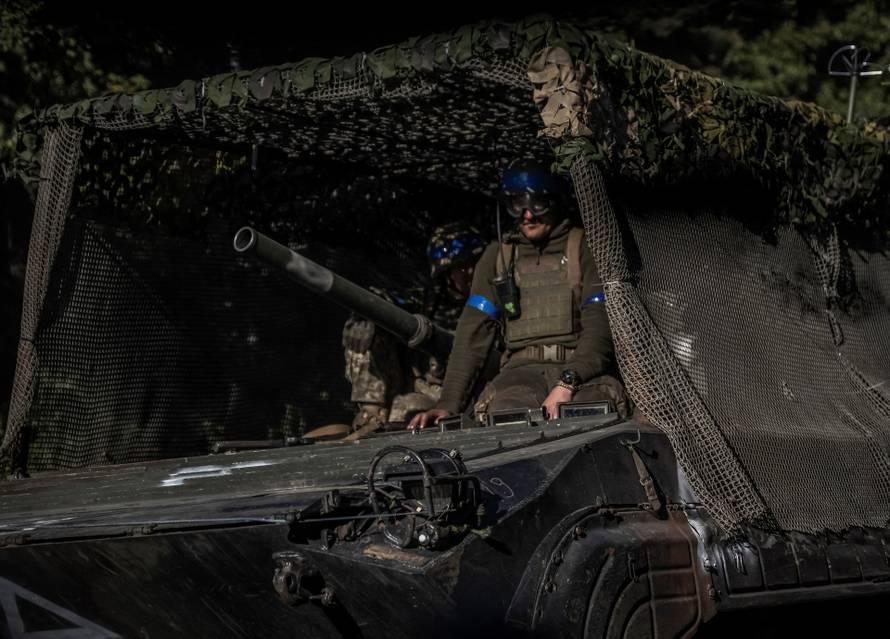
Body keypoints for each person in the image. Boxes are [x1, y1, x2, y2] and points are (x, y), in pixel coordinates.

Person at [408, 159, 630, 430]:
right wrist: (447, 404)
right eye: (517, 205)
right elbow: (472, 335)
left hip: (583, 369)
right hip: (520, 373)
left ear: (556, 201)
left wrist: (569, 380)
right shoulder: (499, 257)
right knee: (507, 413)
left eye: (537, 204)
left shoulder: (585, 247)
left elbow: (600, 325)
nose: (527, 215)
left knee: (591, 413)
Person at [343, 222, 486, 435]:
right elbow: (386, 303)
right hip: (429, 389)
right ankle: (371, 415)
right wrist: (366, 312)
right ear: (446, 271)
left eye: (473, 263)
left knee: (407, 407)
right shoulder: (426, 302)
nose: (470, 272)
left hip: (477, 390)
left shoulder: (493, 300)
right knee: (366, 325)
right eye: (461, 266)